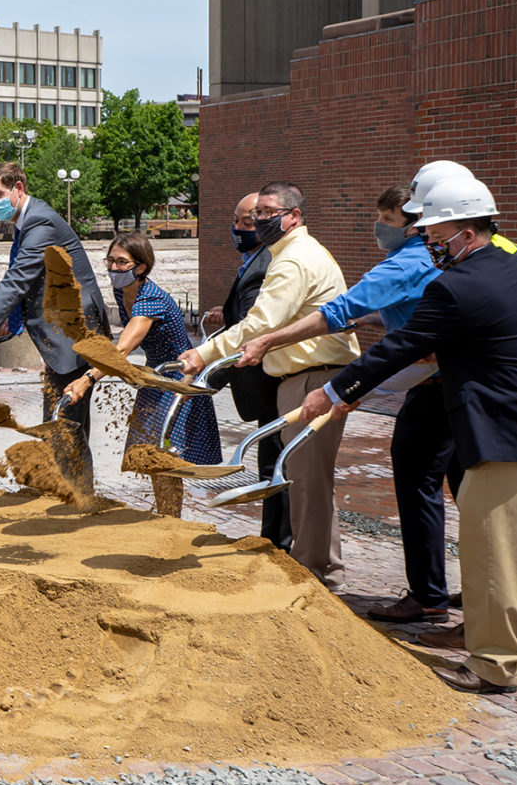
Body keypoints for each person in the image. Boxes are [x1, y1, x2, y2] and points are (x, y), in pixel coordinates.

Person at [304, 173, 517, 694]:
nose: (428, 242)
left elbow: (396, 347)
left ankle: (494, 663)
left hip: (502, 441)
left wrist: (334, 393)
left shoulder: (455, 285)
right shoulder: (513, 264)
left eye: (435, 234)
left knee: (495, 556)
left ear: (468, 233)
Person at [239, 184, 451, 621]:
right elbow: (383, 312)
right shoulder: (427, 259)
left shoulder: (404, 263)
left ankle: (425, 595)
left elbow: (337, 311)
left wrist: (270, 341)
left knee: (414, 484)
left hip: (432, 385)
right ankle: (432, 593)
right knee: (434, 485)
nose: (378, 228)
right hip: (438, 382)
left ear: (416, 226)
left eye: (388, 221)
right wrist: (370, 319)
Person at [181, 181, 359, 587]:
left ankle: (312, 573)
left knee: (306, 482)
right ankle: (319, 565)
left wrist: (204, 353)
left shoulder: (293, 260)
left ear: (293, 216)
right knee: (308, 480)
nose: (260, 220)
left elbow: (262, 322)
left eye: (267, 212)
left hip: (312, 376)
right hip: (304, 376)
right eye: (256, 213)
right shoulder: (292, 253)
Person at [0, 161, 109, 471]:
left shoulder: (41, 223)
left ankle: (77, 497)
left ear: (19, 188)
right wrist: (7, 322)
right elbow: (29, 282)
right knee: (59, 421)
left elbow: (17, 280)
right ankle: (66, 491)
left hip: (75, 335)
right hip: (62, 334)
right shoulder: (26, 223)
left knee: (64, 424)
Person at [66, 233, 219, 464]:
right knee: (147, 453)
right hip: (155, 374)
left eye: (121, 262)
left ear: (141, 267)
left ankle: (170, 502)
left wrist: (87, 380)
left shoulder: (150, 299)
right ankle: (161, 502)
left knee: (164, 454)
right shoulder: (122, 292)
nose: (114, 268)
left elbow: (122, 350)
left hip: (180, 376)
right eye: (110, 261)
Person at [203, 191, 291, 547]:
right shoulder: (254, 261)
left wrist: (209, 374)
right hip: (266, 378)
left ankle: (277, 543)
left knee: (275, 467)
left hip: (270, 379)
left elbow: (256, 328)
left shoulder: (265, 264)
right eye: (236, 221)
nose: (238, 229)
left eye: (248, 223)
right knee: (271, 462)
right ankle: (273, 539)